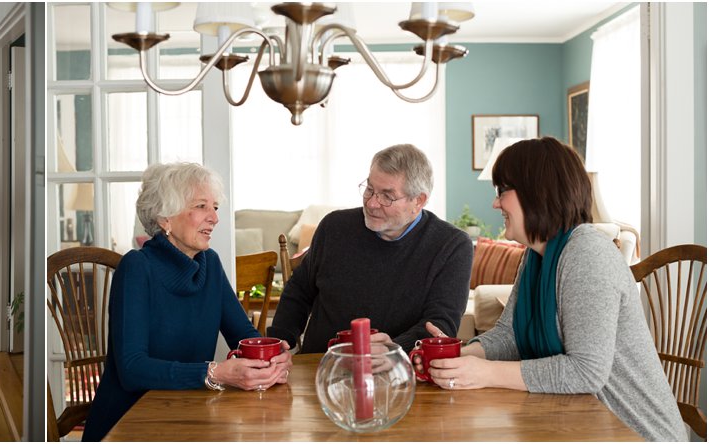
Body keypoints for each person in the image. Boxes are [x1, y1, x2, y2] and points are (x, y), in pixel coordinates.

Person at [416, 137, 687, 441]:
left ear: (536, 192)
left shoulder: (587, 253)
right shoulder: (535, 256)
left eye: (501, 191)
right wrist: (458, 358)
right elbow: (510, 336)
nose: (495, 203)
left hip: (635, 433)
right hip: (579, 425)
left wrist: (484, 372)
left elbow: (586, 371)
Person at [82, 163, 293, 442]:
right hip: (129, 424)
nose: (215, 218)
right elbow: (132, 369)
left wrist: (272, 357)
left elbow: (245, 338)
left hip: (189, 416)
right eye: (201, 206)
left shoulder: (211, 263)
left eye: (215, 207)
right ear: (165, 219)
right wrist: (215, 373)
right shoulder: (137, 267)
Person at [268, 144, 473, 354]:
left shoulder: (452, 246)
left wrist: (392, 351)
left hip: (400, 373)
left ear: (418, 200)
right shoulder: (334, 227)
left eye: (387, 196)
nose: (372, 203)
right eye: (370, 189)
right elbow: (300, 291)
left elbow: (440, 325)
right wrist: (280, 340)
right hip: (320, 365)